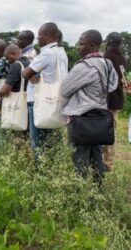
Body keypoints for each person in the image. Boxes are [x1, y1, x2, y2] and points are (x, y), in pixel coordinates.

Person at [60, 30, 118, 183]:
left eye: (81, 44)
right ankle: (97, 190)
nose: (78, 47)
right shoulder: (107, 64)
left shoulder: (84, 66)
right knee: (97, 156)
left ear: (92, 45)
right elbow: (113, 85)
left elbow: (64, 89)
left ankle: (80, 194)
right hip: (99, 118)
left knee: (79, 158)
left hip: (81, 118)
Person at [22, 22, 68, 164]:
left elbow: (25, 73)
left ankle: (40, 170)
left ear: (48, 35)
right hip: (56, 99)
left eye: (40, 35)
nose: (38, 38)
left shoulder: (47, 53)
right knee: (53, 137)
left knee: (38, 141)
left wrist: (29, 74)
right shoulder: (62, 52)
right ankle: (54, 168)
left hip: (40, 100)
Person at [103, 32, 127, 171]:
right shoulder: (123, 59)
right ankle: (109, 163)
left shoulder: (105, 57)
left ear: (108, 42)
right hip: (117, 100)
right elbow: (124, 80)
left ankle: (103, 163)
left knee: (99, 130)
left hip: (104, 100)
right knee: (112, 132)